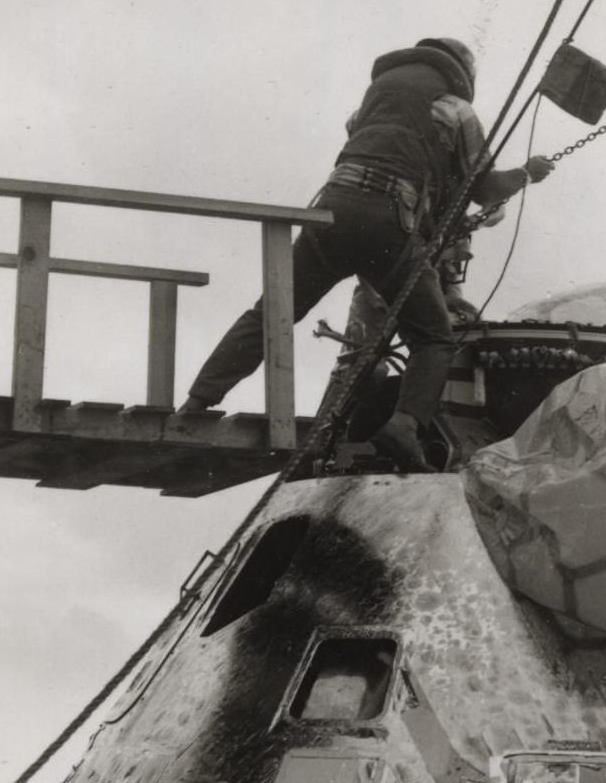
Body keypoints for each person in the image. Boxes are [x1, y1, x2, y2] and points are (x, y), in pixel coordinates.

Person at [180, 35, 553, 471]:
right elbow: (483, 187)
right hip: (387, 222)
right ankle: (404, 425)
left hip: (330, 212)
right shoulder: (458, 110)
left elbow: (384, 147)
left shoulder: (370, 104)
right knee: (433, 337)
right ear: (461, 75)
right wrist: (528, 172)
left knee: (272, 313)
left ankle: (197, 400)